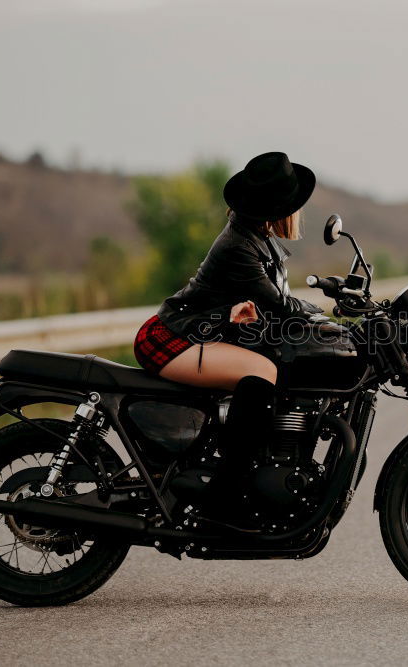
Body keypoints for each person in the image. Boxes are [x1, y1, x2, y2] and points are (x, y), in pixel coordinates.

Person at [132, 151, 322, 516]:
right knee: (263, 373)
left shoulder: (258, 237)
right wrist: (323, 314)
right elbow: (280, 304)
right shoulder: (239, 245)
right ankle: (226, 492)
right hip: (172, 337)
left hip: (199, 333)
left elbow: (274, 303)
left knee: (274, 363)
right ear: (279, 207)